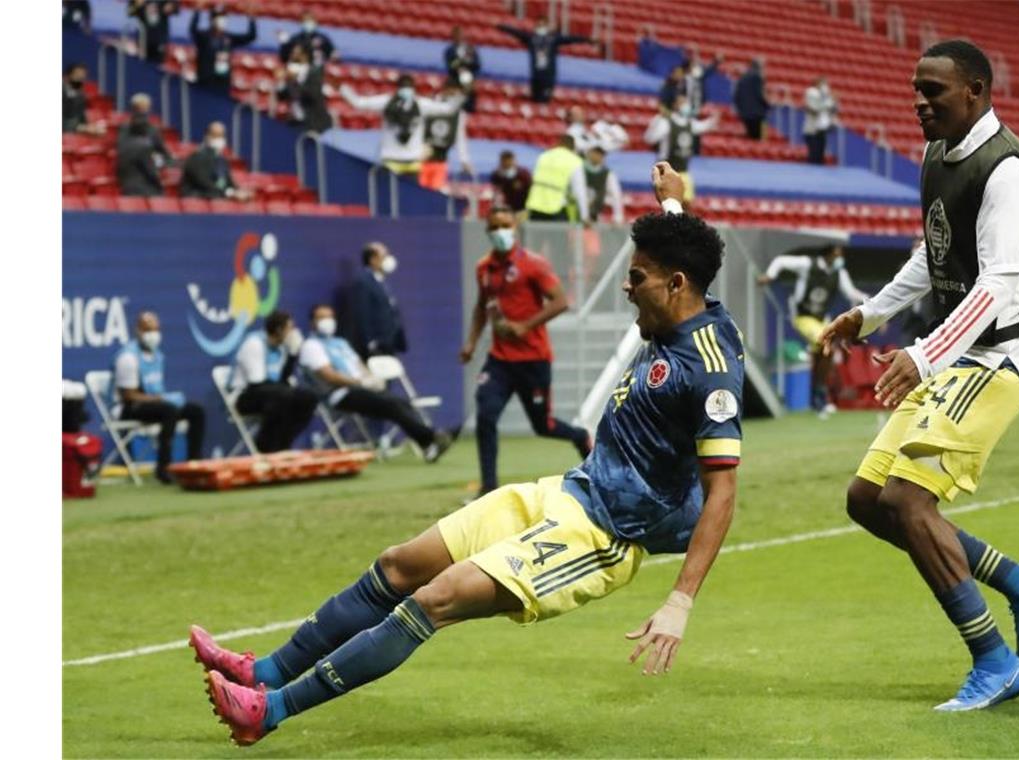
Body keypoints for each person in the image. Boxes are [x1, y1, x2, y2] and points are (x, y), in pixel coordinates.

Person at [191, 162, 745, 748]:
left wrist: (680, 601)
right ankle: (265, 670)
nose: (626, 287)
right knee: (401, 564)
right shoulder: (681, 305)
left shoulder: (707, 371)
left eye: (637, 277)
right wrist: (673, 204)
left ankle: (269, 709)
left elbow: (724, 490)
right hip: (569, 489)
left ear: (676, 284)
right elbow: (683, 256)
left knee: (435, 598)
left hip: (603, 535)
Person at [819, 40, 1019, 711]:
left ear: (978, 92)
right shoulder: (937, 156)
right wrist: (871, 316)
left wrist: (924, 353)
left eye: (935, 91)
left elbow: (1000, 286)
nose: (919, 102)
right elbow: (932, 257)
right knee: (867, 500)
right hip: (958, 357)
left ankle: (994, 661)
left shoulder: (1005, 169)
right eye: (916, 89)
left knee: (907, 499)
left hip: (997, 357)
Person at [460, 206, 593, 496]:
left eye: (505, 225)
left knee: (542, 425)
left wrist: (525, 326)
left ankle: (580, 437)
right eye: (494, 227)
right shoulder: (484, 268)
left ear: (515, 228)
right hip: (500, 359)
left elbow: (560, 301)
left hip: (533, 359)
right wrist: (471, 342)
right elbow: (481, 308)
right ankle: (489, 487)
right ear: (487, 231)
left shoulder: (534, 264)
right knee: (486, 414)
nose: (500, 232)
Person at [298, 305, 456, 462]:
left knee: (401, 402)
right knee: (391, 405)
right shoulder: (311, 346)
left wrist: (370, 379)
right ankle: (433, 437)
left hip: (359, 389)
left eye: (330, 317)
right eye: (322, 318)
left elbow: (358, 365)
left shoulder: (340, 343)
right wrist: (360, 382)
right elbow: (329, 376)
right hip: (339, 394)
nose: (328, 321)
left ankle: (428, 446)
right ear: (312, 322)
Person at [756, 245, 867, 414]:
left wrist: (868, 301)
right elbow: (781, 261)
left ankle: (818, 396)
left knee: (826, 352)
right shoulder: (807, 264)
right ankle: (818, 395)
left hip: (822, 319)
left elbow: (851, 293)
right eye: (837, 255)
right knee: (826, 343)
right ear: (828, 254)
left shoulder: (840, 273)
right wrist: (770, 275)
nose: (839, 259)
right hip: (803, 317)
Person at [113, 311, 205, 483]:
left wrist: (166, 398)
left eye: (156, 330)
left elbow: (156, 390)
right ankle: (164, 468)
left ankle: (194, 465)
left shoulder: (157, 355)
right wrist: (160, 399)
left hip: (155, 404)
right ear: (138, 331)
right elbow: (129, 395)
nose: (153, 335)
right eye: (148, 330)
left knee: (195, 411)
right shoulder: (128, 357)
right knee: (168, 410)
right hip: (129, 408)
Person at [340, 74, 464, 178]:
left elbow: (358, 102)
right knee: (407, 202)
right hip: (406, 160)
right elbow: (448, 109)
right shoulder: (420, 104)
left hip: (397, 159)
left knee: (392, 201)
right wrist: (462, 94)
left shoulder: (388, 102)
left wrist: (342, 88)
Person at [231, 310, 318, 454]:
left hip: (273, 394)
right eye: (290, 329)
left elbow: (283, 380)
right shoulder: (254, 344)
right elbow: (256, 383)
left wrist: (292, 354)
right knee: (283, 396)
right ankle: (265, 448)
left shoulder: (282, 347)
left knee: (308, 398)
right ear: (279, 330)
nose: (293, 333)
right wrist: (285, 390)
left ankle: (284, 444)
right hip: (245, 396)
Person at [495, 18, 595, 103]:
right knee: (535, 100)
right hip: (536, 75)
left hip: (549, 76)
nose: (541, 27)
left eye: (543, 25)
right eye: (539, 25)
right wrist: (501, 26)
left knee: (545, 100)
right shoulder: (531, 38)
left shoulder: (553, 39)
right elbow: (516, 32)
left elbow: (571, 39)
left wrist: (588, 40)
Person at [643, 94, 718, 205]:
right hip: (667, 171)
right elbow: (649, 139)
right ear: (674, 105)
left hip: (683, 171)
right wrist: (656, 120)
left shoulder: (689, 123)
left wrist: (715, 118)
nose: (685, 105)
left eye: (686, 103)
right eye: (682, 103)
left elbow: (703, 126)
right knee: (670, 205)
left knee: (687, 204)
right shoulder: (666, 123)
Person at [348, 242, 407, 360]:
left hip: (388, 343)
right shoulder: (363, 282)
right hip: (375, 346)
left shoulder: (380, 281)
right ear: (373, 260)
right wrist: (370, 343)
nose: (389, 259)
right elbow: (362, 314)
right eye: (385, 256)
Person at [418, 82, 474, 190]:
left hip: (441, 159)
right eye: (452, 91)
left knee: (435, 193)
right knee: (418, 190)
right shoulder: (429, 103)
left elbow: (460, 136)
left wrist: (464, 160)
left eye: (457, 93)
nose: (454, 95)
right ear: (445, 89)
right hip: (423, 157)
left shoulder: (459, 112)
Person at [190, 5, 257, 94]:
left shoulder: (228, 38)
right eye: (218, 17)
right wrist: (197, 12)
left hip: (223, 80)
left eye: (223, 18)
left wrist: (251, 19)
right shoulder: (204, 36)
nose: (222, 21)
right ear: (212, 20)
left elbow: (250, 36)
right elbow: (193, 30)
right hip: (206, 79)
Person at [524, 134, 590, 223]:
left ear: (559, 143)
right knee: (558, 236)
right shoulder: (574, 161)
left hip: (535, 205)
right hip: (557, 206)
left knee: (536, 236)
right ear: (573, 147)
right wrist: (584, 216)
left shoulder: (544, 156)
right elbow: (579, 191)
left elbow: (534, 179)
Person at [180, 122, 252, 200]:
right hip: (198, 201)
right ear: (207, 137)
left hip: (219, 200)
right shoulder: (195, 159)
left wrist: (238, 191)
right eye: (215, 135)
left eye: (222, 135)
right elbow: (205, 184)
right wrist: (229, 193)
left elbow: (228, 182)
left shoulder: (222, 160)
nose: (219, 139)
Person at [276, 46, 333, 134]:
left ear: (305, 56)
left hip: (314, 124)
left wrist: (295, 80)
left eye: (297, 54)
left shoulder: (314, 73)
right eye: (293, 53)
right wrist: (281, 81)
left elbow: (310, 95)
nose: (293, 56)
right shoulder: (291, 73)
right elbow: (281, 96)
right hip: (294, 123)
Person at [117, 93, 173, 167]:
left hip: (134, 168)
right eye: (141, 108)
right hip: (140, 168)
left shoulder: (124, 127)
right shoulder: (125, 128)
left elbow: (163, 152)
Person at [116, 115, 165, 197]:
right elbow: (151, 171)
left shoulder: (124, 145)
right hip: (142, 190)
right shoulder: (145, 146)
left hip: (126, 188)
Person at [581, 146, 624, 224]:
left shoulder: (608, 174)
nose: (599, 157)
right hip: (578, 212)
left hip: (596, 213)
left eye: (601, 155)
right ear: (589, 154)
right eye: (596, 153)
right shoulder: (580, 170)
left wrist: (618, 216)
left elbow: (616, 194)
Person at [443, 25, 481, 113]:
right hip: (454, 79)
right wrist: (459, 66)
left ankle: (469, 110)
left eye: (460, 34)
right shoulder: (450, 50)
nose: (459, 37)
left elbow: (477, 64)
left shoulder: (470, 49)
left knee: (470, 95)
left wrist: (467, 67)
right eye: (456, 35)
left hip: (468, 78)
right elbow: (450, 65)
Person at [803, 76, 838, 165]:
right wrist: (826, 105)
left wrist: (834, 102)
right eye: (822, 84)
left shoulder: (826, 97)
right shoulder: (811, 93)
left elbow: (833, 111)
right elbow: (813, 110)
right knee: (813, 157)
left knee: (820, 158)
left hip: (821, 132)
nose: (825, 86)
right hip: (812, 131)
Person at [63, 63, 105, 136]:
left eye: (83, 77)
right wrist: (80, 128)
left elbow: (81, 117)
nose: (81, 79)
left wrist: (89, 126)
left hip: (75, 132)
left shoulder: (80, 95)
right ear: (67, 77)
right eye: (77, 76)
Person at [733, 57, 769, 140]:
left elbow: (736, 97)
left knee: (751, 140)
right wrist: (768, 105)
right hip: (758, 115)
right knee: (763, 139)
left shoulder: (742, 78)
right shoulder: (758, 77)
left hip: (745, 114)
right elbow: (761, 95)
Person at [489, 150, 532, 215]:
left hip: (522, 207)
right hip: (507, 208)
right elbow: (496, 188)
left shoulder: (523, 174)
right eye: (504, 162)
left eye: (509, 161)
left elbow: (530, 187)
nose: (507, 164)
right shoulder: (497, 175)